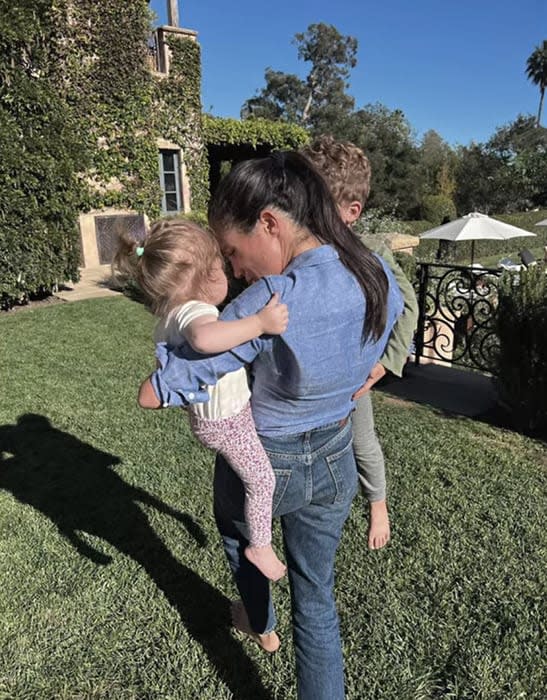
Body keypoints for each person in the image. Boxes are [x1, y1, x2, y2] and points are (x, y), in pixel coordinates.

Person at [138, 151, 404, 699]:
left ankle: (258, 618)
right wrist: (370, 369)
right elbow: (396, 313)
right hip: (335, 458)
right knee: (317, 599)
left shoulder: (269, 298)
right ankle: (268, 624)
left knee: (237, 535)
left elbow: (188, 370)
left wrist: (156, 386)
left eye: (233, 253)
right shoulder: (372, 272)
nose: (234, 270)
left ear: (270, 223)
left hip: (267, 455)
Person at [113, 218, 288, 581]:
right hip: (226, 419)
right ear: (207, 276)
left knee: (249, 469)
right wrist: (259, 323)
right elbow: (206, 340)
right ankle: (260, 545)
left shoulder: (170, 313)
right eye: (221, 265)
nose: (228, 272)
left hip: (213, 417)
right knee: (262, 480)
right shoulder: (197, 311)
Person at [301, 135, 419, 550]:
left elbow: (409, 307)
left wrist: (384, 364)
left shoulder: (370, 254)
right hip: (308, 377)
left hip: (354, 371)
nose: (305, 215)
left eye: (316, 206)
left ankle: (378, 504)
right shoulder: (296, 251)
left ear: (352, 212)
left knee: (362, 440)